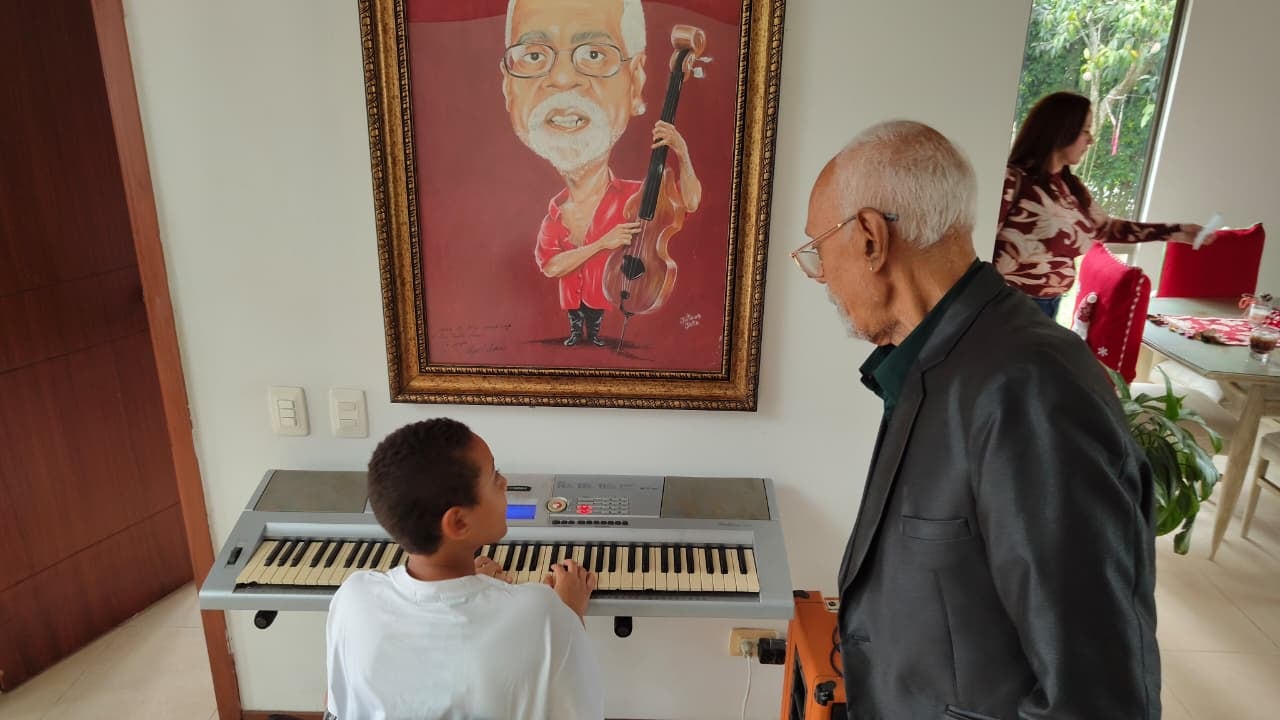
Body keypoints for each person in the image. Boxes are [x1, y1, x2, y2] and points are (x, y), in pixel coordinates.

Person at [794, 120, 1160, 718]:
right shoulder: (939, 359)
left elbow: (1096, 694)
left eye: (818, 249)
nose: (820, 277)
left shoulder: (1030, 388)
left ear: (868, 239)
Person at [324, 418, 603, 720]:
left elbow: (336, 701)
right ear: (458, 523)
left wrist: (471, 589)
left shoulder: (354, 596)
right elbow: (581, 710)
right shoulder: (541, 611)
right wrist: (571, 611)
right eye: (494, 476)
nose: (505, 482)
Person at [502, 0, 701, 346]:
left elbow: (692, 201)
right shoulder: (553, 216)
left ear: (636, 82)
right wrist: (602, 244)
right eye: (534, 55)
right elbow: (550, 267)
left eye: (594, 54)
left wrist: (681, 152)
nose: (563, 80)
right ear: (508, 86)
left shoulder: (638, 198)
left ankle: (591, 331)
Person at [993, 90, 1209, 319]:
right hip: (1011, 308)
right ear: (1061, 130)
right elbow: (980, 247)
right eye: (1085, 130)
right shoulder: (1013, 181)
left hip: (1047, 308)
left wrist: (1176, 231)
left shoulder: (1070, 187)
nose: (1091, 140)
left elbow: (1106, 229)